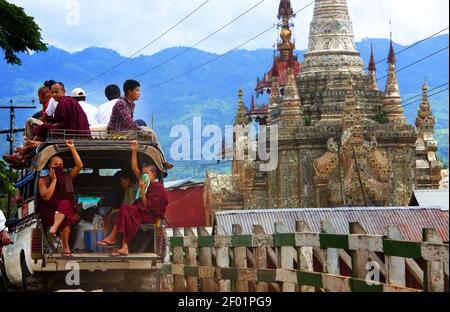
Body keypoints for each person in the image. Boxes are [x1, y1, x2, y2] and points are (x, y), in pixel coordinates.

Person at [98, 141, 169, 256]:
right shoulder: (143, 182)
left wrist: (142, 190)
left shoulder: (158, 188)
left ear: (154, 175)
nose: (144, 175)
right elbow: (135, 168)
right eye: (143, 173)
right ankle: (118, 243)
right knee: (122, 211)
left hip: (149, 215)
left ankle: (119, 242)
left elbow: (147, 206)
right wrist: (134, 151)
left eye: (147, 173)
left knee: (126, 209)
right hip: (140, 211)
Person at [107, 79, 172, 169]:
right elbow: (129, 122)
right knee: (149, 133)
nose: (139, 93)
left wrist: (141, 131)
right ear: (129, 91)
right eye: (137, 90)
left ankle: (160, 160)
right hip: (117, 133)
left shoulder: (131, 104)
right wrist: (141, 131)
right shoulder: (120, 104)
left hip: (125, 131)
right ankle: (161, 162)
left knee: (149, 132)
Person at [37, 140, 83, 256]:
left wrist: (72, 147)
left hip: (64, 211)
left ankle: (63, 243)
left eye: (60, 165)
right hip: (50, 212)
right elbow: (46, 197)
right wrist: (54, 180)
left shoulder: (67, 177)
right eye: (55, 165)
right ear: (49, 166)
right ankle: (63, 242)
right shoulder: (43, 180)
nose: (58, 167)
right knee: (65, 204)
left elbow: (79, 165)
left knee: (66, 216)